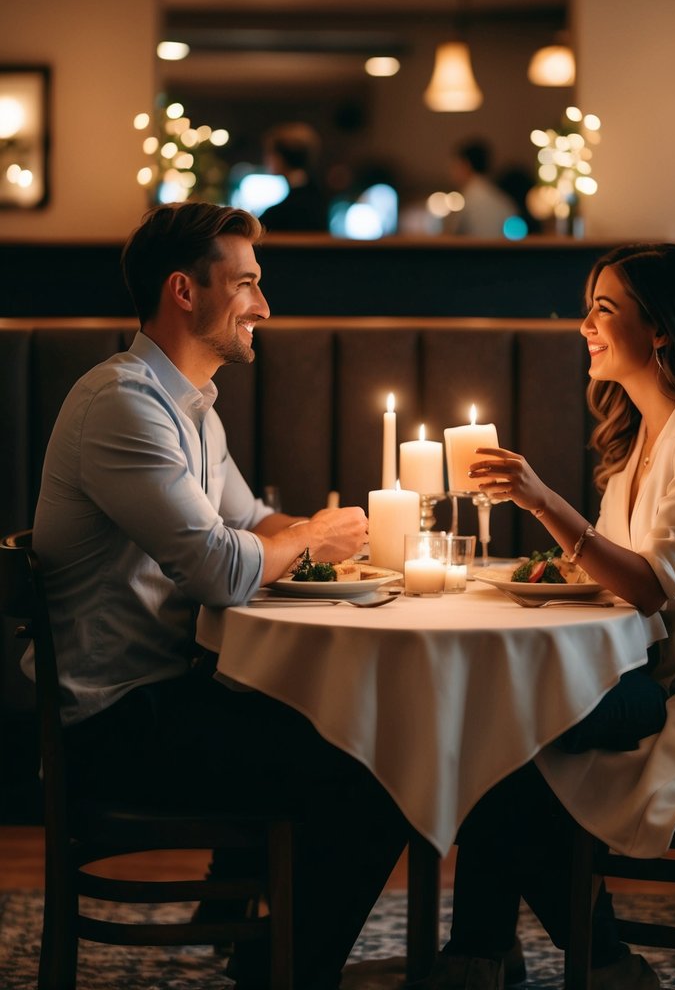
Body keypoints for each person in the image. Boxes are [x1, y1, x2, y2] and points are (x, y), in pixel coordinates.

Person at [28, 202, 408, 990]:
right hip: (113, 721)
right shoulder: (125, 406)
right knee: (380, 772)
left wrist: (330, 537)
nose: (263, 307)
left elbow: (254, 523)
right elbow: (221, 569)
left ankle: (256, 949)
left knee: (350, 722)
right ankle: (281, 974)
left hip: (171, 694)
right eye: (247, 285)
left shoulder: (191, 407)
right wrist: (311, 542)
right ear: (184, 291)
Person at [427, 243, 675, 990]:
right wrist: (543, 574)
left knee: (506, 739)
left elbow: (647, 586)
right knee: (496, 728)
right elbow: (612, 577)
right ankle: (502, 954)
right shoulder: (644, 432)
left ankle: (535, 957)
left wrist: (541, 502)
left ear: (663, 328)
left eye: (604, 309)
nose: (584, 325)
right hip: (663, 672)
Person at [259, 122, 330, 232]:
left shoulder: (283, 211)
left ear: (281, 158)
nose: (265, 159)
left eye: (269, 153)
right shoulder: (316, 194)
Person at [448, 139, 518, 237]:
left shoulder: (469, 198)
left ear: (466, 165)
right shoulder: (502, 199)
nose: (452, 172)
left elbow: (455, 236)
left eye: (455, 166)